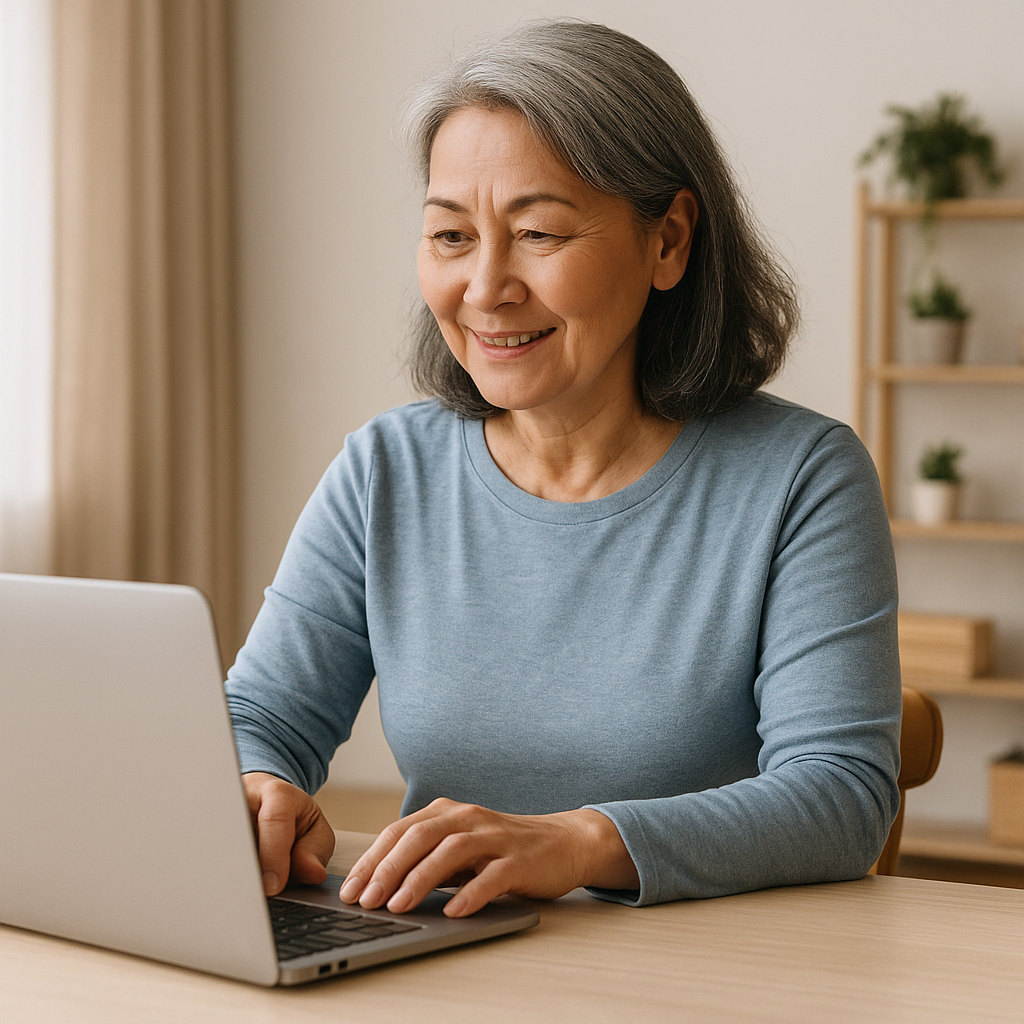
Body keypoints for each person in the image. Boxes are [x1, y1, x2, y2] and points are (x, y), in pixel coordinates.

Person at [226, 19, 900, 919]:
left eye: (537, 232)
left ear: (668, 242)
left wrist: (578, 841)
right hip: (445, 960)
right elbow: (259, 719)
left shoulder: (802, 477)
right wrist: (258, 788)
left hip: (711, 977)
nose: (486, 287)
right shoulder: (384, 470)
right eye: (452, 236)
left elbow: (841, 798)